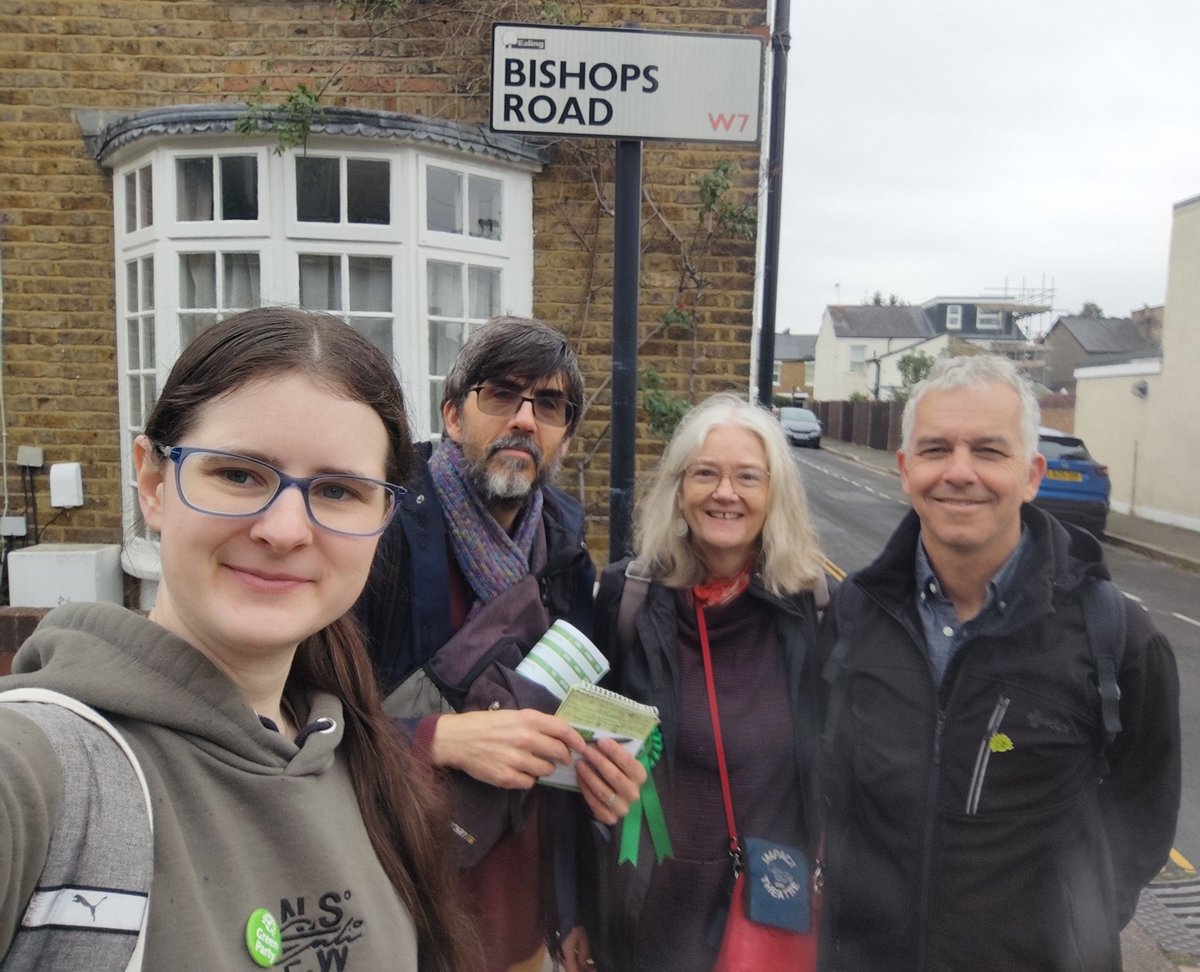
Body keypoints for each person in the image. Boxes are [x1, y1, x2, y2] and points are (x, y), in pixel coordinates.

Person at [0, 308, 478, 971]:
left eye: (338, 490)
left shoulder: (365, 769)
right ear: (154, 483)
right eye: (239, 475)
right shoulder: (41, 771)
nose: (283, 530)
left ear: (383, 519)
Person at [816, 354, 1181, 971]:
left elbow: (1142, 814)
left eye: (989, 450)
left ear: (1032, 473)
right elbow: (830, 781)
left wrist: (1076, 924)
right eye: (935, 450)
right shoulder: (855, 612)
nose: (960, 472)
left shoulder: (1115, 635)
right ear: (905, 470)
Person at [356, 315, 645, 972]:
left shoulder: (566, 555)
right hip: (405, 916)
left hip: (522, 930)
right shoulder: (384, 534)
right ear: (454, 416)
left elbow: (565, 732)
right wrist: (439, 740)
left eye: (547, 404)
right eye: (501, 394)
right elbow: (301, 720)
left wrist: (572, 907)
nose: (523, 418)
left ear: (565, 434)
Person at [584, 392, 828, 972]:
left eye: (748, 476)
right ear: (679, 487)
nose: (726, 492)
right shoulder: (626, 599)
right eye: (706, 474)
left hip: (773, 914)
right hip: (651, 922)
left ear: (775, 495)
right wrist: (576, 915)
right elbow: (586, 760)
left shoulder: (819, 611)